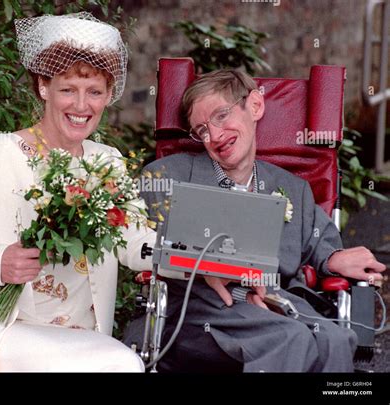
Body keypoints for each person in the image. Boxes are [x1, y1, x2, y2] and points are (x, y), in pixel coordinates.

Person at [0, 12, 156, 372]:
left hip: (81, 335)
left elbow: (134, 240)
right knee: (122, 366)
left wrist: (196, 259)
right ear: (43, 87)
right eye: (68, 90)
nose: (82, 106)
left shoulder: (107, 162)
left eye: (94, 92)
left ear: (108, 95)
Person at [136, 69, 386, 372]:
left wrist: (334, 257)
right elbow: (152, 246)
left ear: (255, 105)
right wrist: (210, 267)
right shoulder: (166, 177)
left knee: (335, 339)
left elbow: (317, 241)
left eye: (220, 116)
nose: (213, 136)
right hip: (201, 313)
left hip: (274, 305)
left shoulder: (294, 188)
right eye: (201, 130)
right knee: (291, 339)